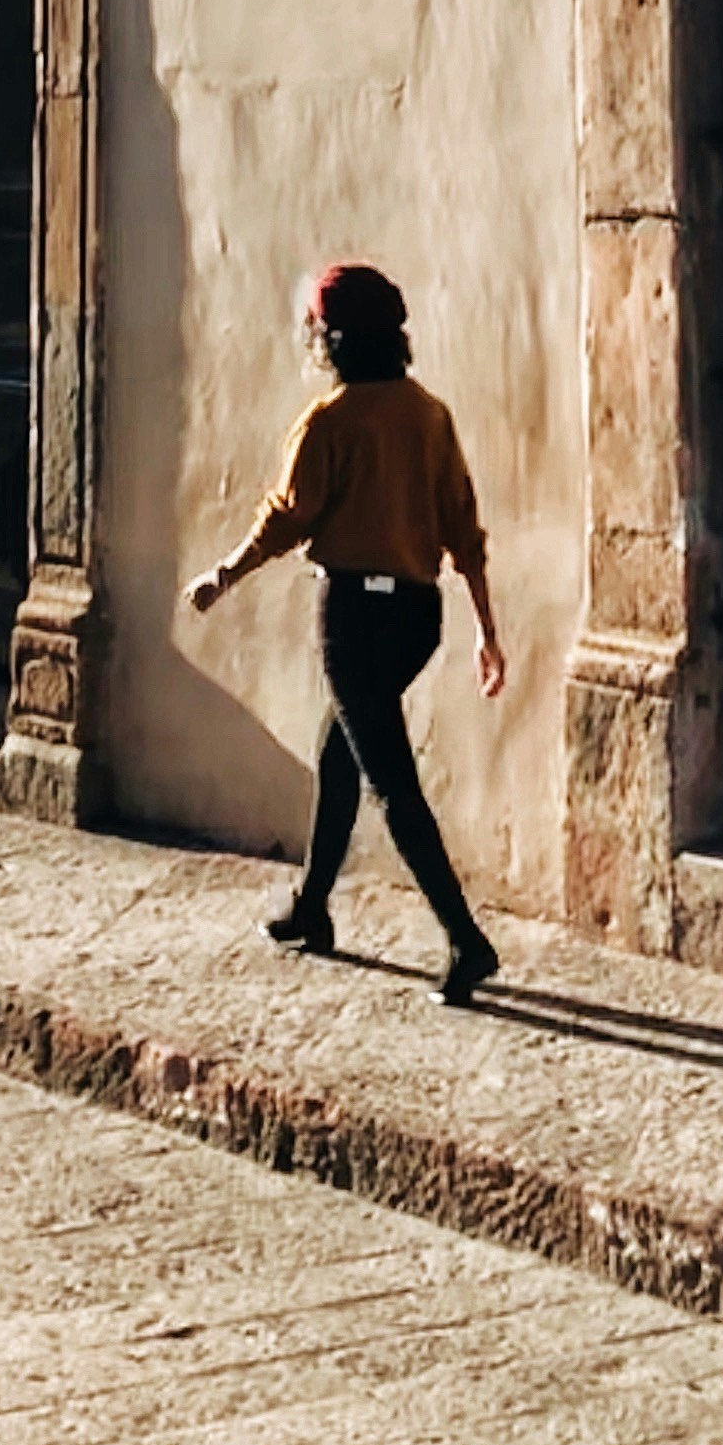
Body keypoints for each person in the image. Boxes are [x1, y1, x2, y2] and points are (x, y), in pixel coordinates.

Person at [186, 257, 505, 1003]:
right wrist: (488, 629)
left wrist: (223, 574)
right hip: (416, 616)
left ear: (332, 341)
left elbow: (286, 516)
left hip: (353, 614)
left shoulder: (329, 422)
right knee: (340, 752)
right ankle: (313, 909)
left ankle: (465, 941)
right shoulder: (431, 414)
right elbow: (465, 526)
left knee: (390, 780)